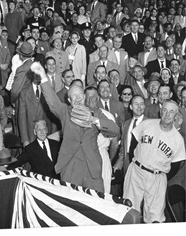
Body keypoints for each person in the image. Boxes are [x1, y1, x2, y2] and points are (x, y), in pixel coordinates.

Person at [30, 62, 119, 193]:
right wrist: (43, 77)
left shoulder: (96, 113)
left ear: (84, 97)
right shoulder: (65, 112)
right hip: (70, 168)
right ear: (69, 101)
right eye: (73, 97)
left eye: (79, 95)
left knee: (95, 206)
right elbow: (52, 101)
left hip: (92, 169)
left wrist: (94, 120)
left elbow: (115, 130)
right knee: (71, 208)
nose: (77, 99)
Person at [123, 100, 186, 223]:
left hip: (157, 178)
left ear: (175, 116)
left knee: (154, 218)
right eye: (165, 110)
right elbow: (133, 146)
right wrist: (136, 164)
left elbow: (176, 165)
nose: (167, 114)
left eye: (171, 112)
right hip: (136, 171)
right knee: (128, 210)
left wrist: (159, 175)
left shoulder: (178, 140)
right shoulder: (147, 124)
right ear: (160, 111)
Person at [113, 95, 148, 179]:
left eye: (142, 104)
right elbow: (123, 148)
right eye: (136, 104)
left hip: (144, 164)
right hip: (128, 162)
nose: (139, 106)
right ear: (131, 107)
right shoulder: (125, 124)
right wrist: (118, 164)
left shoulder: (150, 124)